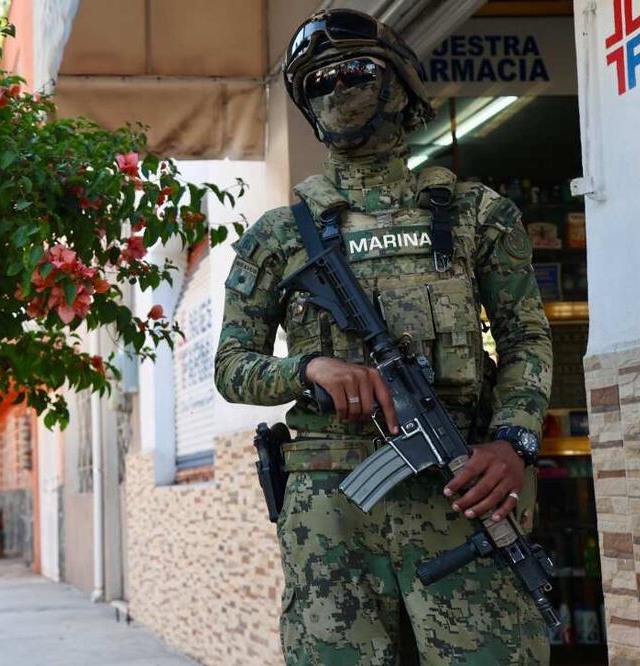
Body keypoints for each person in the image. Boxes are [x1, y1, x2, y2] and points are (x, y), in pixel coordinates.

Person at [214, 9, 553, 665]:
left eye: (354, 72)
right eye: (318, 84)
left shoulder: (479, 215)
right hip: (332, 515)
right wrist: (309, 368)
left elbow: (527, 344)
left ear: (399, 85)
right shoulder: (278, 236)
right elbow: (232, 366)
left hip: (462, 491)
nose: (336, 90)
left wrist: (514, 442)